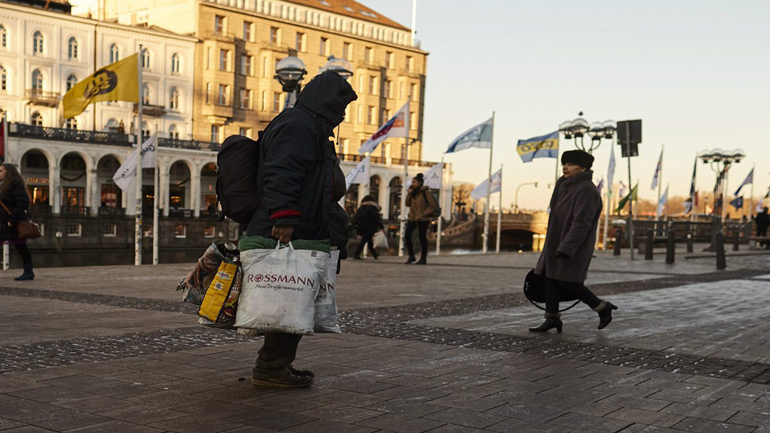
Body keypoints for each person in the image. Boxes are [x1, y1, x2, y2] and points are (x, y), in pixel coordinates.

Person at [246, 71, 357, 388]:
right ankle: (270, 367)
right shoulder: (299, 125)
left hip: (305, 226)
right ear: (327, 104)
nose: (343, 115)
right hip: (293, 229)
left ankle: (275, 363)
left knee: (292, 297)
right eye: (341, 107)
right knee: (289, 296)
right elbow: (282, 173)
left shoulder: (311, 127)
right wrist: (284, 218)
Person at [529, 150, 617, 333]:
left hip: (573, 246)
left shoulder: (587, 190)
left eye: (570, 164)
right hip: (556, 243)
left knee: (569, 282)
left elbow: (581, 223)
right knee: (550, 279)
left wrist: (568, 246)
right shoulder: (564, 186)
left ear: (583, 167)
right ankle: (552, 318)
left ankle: (602, 307)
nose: (565, 167)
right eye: (564, 163)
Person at [0, 164, 34, 280]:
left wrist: (12, 219)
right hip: (3, 222)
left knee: (21, 246)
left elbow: (23, 202)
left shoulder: (15, 184)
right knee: (21, 246)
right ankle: (28, 271)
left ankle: (28, 271)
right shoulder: (3, 185)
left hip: (13, 222)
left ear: (8, 172)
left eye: (1, 171)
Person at [404, 173, 437, 265]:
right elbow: (407, 203)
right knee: (407, 234)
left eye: (414, 182)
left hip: (422, 219)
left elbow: (432, 206)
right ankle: (411, 256)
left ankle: (423, 258)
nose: (412, 184)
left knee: (422, 237)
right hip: (412, 218)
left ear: (419, 183)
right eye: (412, 182)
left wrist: (424, 214)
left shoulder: (425, 192)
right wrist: (409, 194)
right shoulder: (413, 193)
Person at [352, 195, 384, 260]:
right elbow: (376, 218)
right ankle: (356, 254)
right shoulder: (373, 208)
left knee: (369, 241)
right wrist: (381, 227)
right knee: (364, 240)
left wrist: (354, 225)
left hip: (362, 226)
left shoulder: (361, 208)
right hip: (370, 227)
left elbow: (356, 217)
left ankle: (375, 254)